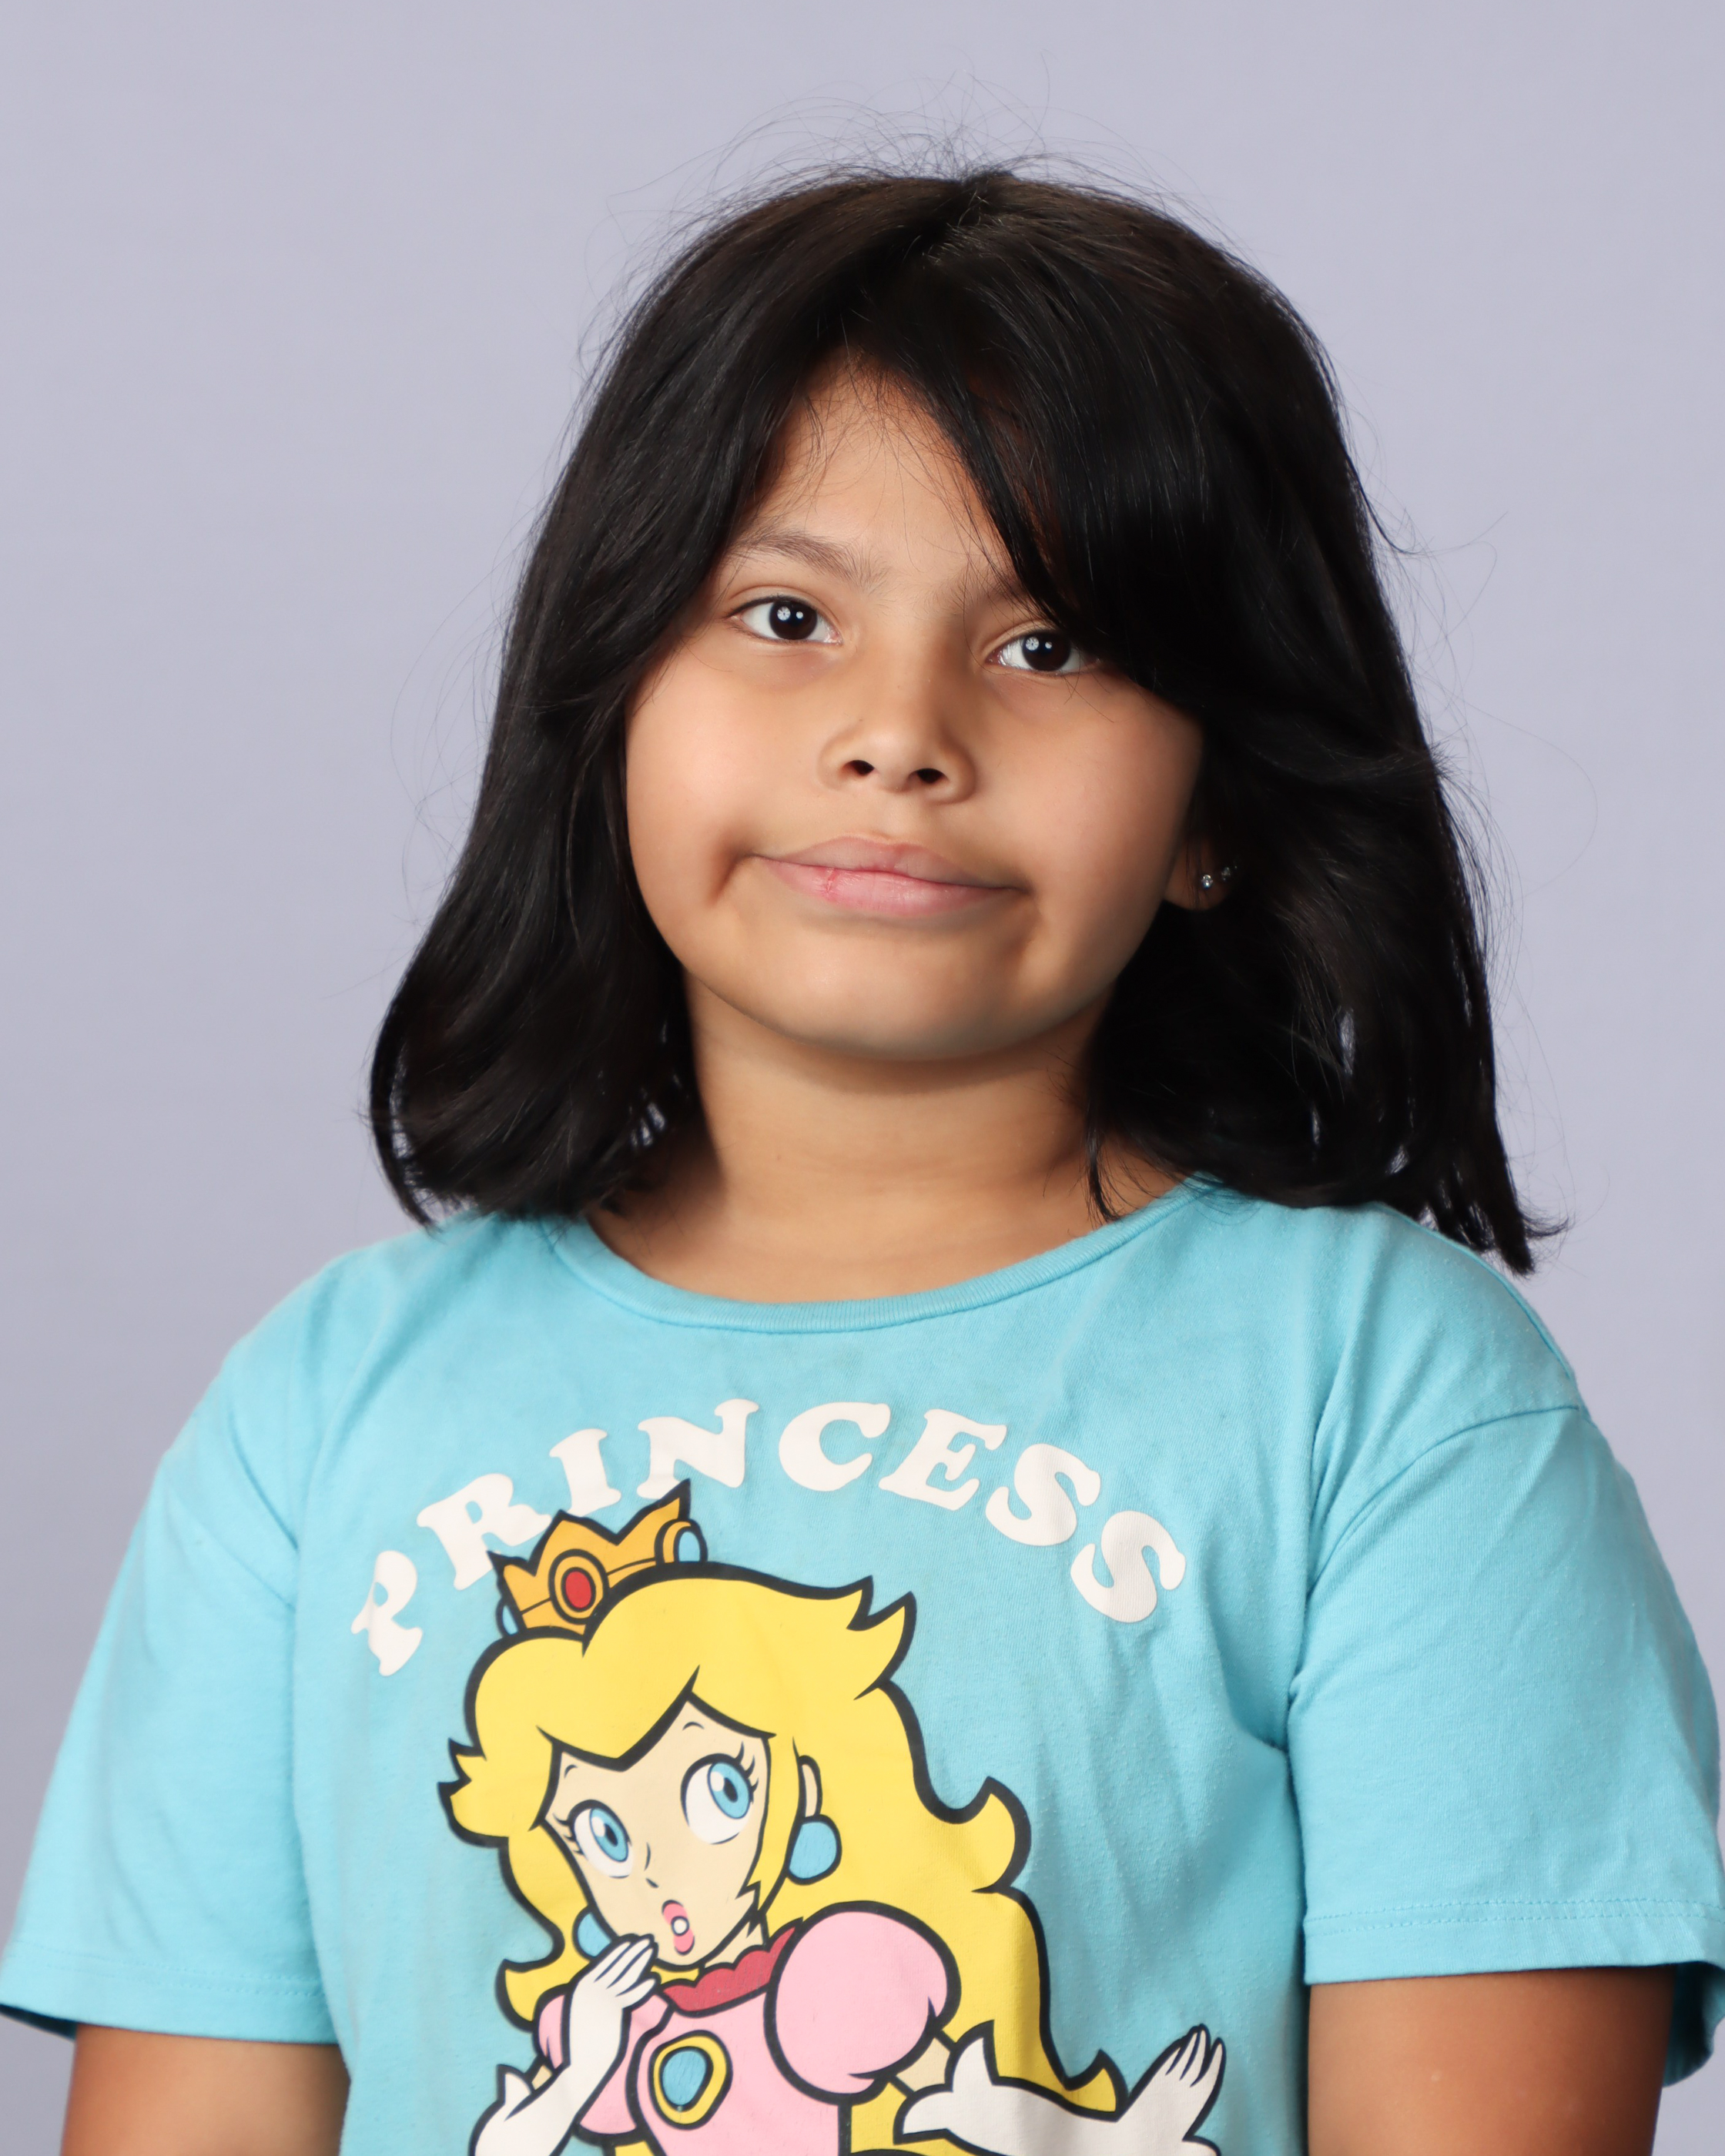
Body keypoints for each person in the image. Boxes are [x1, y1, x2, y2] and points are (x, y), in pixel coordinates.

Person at [2, 167, 1720, 2156]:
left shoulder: (1395, 1406)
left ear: (1218, 805)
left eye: (1052, 644)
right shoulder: (313, 1420)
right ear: (612, 704)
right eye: (787, 616)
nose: (901, 733)